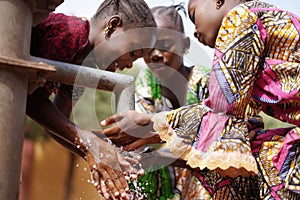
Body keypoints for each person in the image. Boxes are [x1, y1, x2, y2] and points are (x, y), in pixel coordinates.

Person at [101, 0, 300, 199]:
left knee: (242, 157)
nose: (196, 30)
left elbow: (225, 117)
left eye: (194, 15)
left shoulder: (240, 17)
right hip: (177, 178)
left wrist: (153, 124)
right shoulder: (147, 82)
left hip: (197, 180)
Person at [26, 0, 156, 199]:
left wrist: (100, 153)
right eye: (132, 52)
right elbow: (32, 101)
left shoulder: (82, 65)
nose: (129, 64)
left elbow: (57, 121)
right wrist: (91, 144)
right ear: (112, 26)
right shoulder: (72, 33)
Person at [100, 4, 211, 199]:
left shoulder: (204, 81)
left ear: (185, 45)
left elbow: (213, 132)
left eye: (166, 46)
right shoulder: (146, 83)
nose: (156, 55)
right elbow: (137, 138)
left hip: (208, 173)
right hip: (169, 179)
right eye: (148, 49)